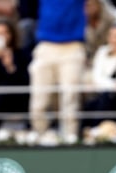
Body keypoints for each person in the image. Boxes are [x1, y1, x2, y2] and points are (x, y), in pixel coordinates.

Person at [29, 0, 87, 143]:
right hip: (45, 46)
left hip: (72, 47)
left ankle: (70, 139)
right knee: (39, 100)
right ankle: (40, 136)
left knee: (70, 98)